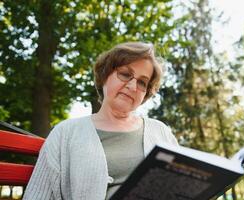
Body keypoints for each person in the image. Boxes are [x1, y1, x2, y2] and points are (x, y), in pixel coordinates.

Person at [23, 42, 178, 200]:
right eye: (125, 74)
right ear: (105, 75)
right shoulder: (66, 133)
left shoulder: (161, 132)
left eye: (142, 82)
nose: (132, 86)